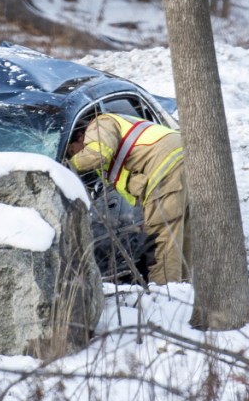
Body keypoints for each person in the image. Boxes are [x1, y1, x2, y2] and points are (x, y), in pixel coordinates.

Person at [66, 113, 188, 284]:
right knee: (184, 240)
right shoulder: (109, 162)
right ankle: (189, 295)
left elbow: (97, 154)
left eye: (72, 151)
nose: (74, 156)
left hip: (167, 167)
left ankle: (165, 299)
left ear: (80, 136)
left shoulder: (100, 123)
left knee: (162, 243)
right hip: (184, 161)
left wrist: (65, 166)